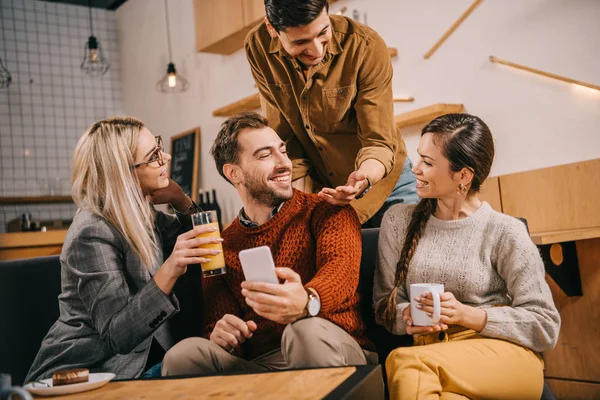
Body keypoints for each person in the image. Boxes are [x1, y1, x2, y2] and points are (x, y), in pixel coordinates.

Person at [162, 112, 375, 376]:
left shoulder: (327, 210)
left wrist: (308, 301)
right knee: (184, 355)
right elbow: (218, 321)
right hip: (265, 365)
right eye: (265, 155)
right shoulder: (222, 245)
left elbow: (340, 272)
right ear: (234, 173)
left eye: (283, 151)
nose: (284, 163)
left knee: (303, 331)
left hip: (333, 346)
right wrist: (221, 335)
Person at [373, 113, 561, 399]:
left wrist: (466, 314)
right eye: (419, 157)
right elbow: (384, 307)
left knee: (403, 361)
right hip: (434, 358)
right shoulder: (398, 221)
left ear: (463, 175)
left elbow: (544, 325)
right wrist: (407, 314)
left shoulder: (505, 231)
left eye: (429, 162)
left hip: (505, 359)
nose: (416, 170)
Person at [25, 117, 221, 382]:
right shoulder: (92, 231)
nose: (167, 156)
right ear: (124, 173)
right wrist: (170, 269)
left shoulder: (139, 213)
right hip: (94, 370)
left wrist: (179, 198)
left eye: (159, 147)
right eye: (153, 156)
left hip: (150, 359)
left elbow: (198, 238)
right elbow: (118, 335)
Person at [244, 0, 418, 227]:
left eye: (323, 32)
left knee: (400, 260)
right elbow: (285, 139)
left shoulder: (365, 46)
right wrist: (297, 209)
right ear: (271, 28)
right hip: (326, 196)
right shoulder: (259, 48)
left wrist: (361, 180)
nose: (316, 50)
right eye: (300, 41)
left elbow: (378, 143)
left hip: (385, 186)